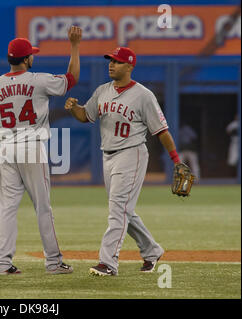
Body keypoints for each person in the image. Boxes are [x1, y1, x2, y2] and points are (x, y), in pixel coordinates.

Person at [64, 47, 183, 276]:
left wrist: (176, 160)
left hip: (132, 154)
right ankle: (152, 250)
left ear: (130, 66)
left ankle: (108, 263)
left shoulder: (143, 95)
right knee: (123, 210)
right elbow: (85, 116)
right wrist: (73, 109)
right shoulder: (102, 91)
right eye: (110, 60)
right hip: (107, 155)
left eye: (117, 61)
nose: (111, 64)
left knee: (118, 209)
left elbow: (162, 131)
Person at [0, 26, 82, 275]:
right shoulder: (38, 80)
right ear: (26, 59)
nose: (33, 57)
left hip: (6, 151)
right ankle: (54, 262)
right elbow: (72, 78)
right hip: (32, 148)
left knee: (7, 210)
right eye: (31, 54)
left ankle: (2, 264)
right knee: (43, 207)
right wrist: (75, 46)